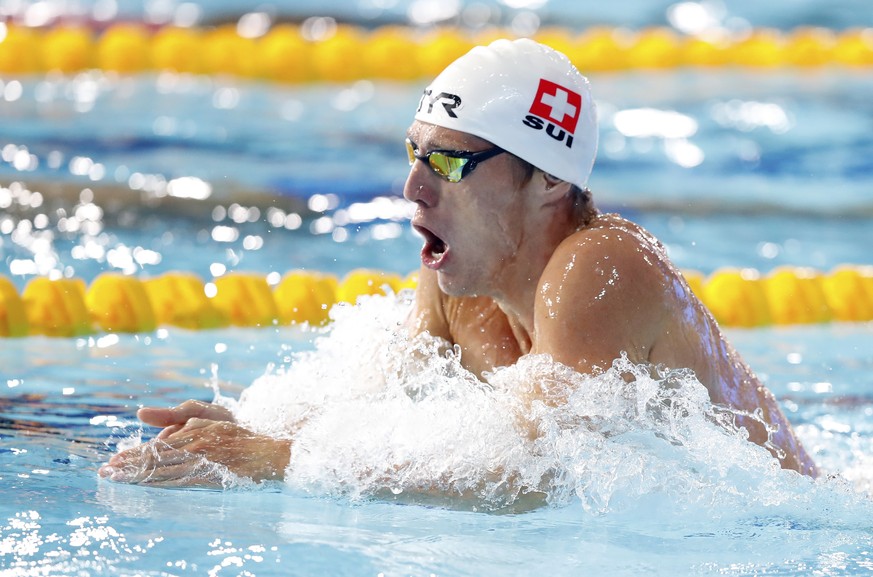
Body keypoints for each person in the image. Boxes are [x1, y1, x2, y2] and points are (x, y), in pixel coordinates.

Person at [99, 38, 817, 488]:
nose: (413, 187)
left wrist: (282, 460)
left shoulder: (603, 264)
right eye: (414, 152)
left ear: (549, 181)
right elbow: (375, 400)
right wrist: (243, 427)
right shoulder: (460, 277)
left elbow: (528, 472)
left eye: (448, 161)